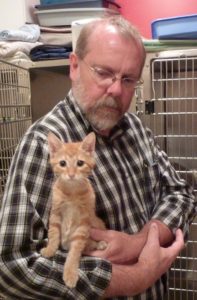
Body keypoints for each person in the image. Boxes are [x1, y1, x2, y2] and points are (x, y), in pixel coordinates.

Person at [0, 15, 195, 300]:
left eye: (128, 79)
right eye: (104, 72)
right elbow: (10, 267)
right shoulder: (43, 143)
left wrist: (140, 242)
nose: (116, 89)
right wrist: (134, 277)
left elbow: (181, 193)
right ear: (75, 66)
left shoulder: (135, 128)